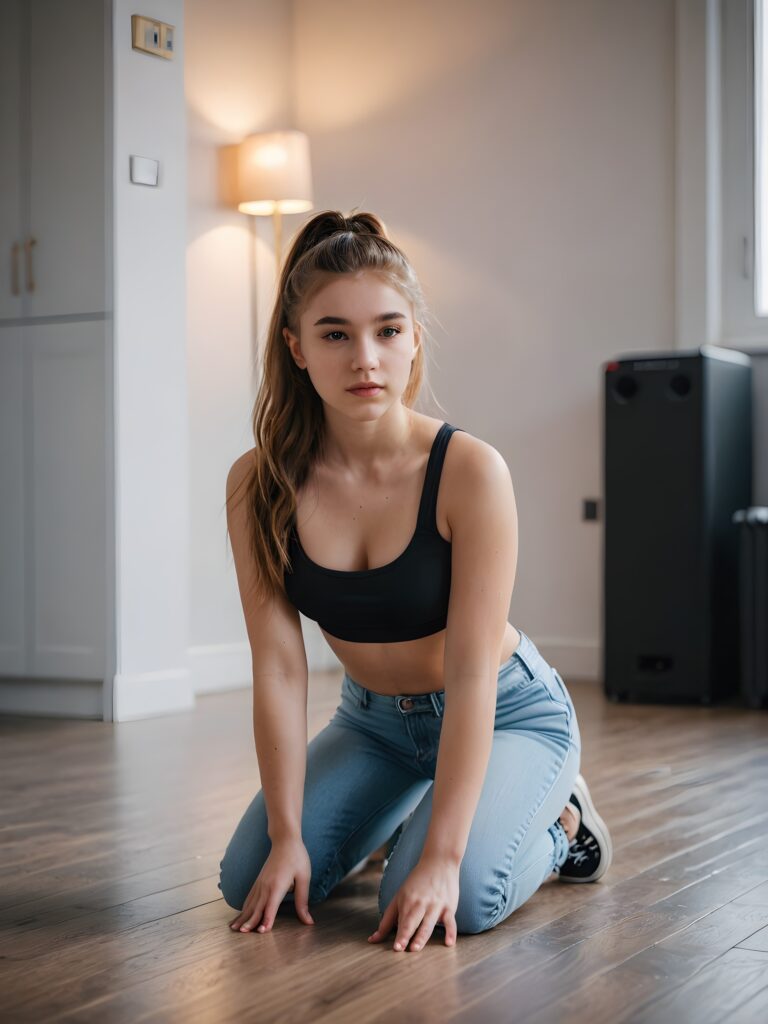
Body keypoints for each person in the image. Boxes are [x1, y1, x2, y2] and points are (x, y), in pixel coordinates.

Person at [218, 209, 612, 953]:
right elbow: (276, 668)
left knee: (442, 895)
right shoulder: (258, 484)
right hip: (372, 724)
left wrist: (442, 859)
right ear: (296, 347)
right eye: (335, 333)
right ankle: (402, 813)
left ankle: (563, 824)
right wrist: (286, 833)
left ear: (414, 340)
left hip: (506, 713)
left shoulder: (469, 471)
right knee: (252, 878)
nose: (365, 356)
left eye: (388, 330)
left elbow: (470, 676)